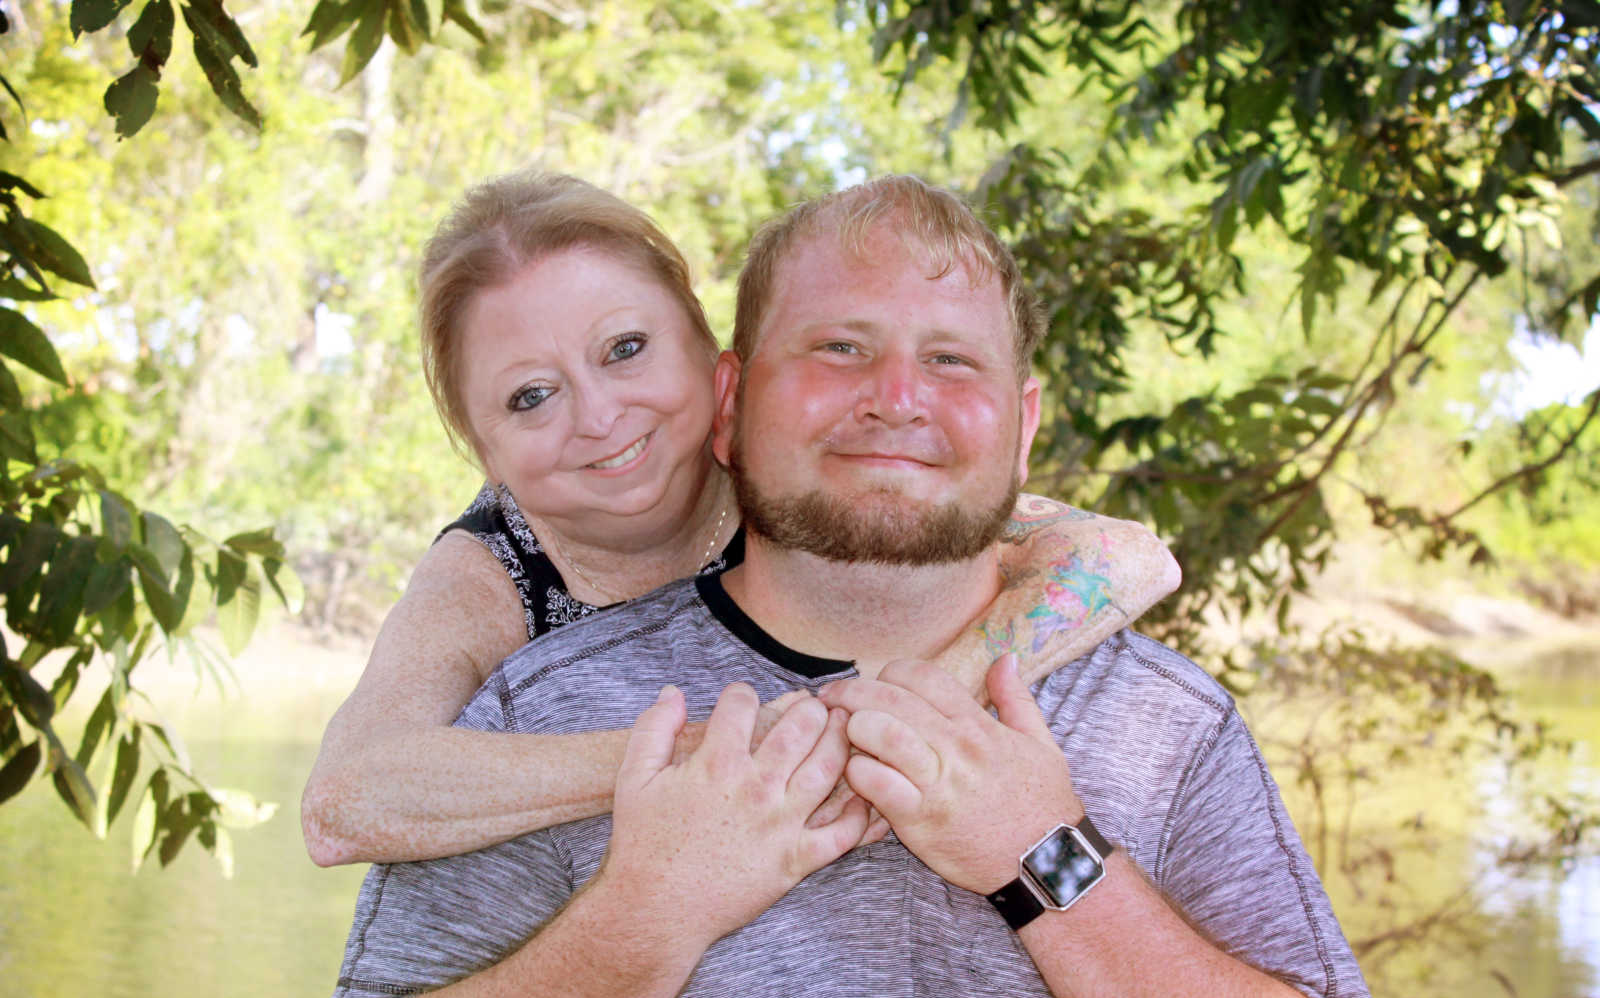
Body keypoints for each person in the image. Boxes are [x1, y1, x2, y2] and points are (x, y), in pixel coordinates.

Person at [312, 176, 1391, 998]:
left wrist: (1042, 851)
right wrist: (650, 909)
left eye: (951, 362)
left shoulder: (1160, 723)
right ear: (734, 404)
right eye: (841, 350)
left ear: (1021, 429)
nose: (897, 400)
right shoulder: (530, 694)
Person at [298, 170, 1180, 867]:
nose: (600, 416)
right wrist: (725, 755)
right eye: (532, 396)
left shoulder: (794, 486)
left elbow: (1125, 558)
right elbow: (346, 801)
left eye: (626, 350)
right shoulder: (488, 572)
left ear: (719, 365)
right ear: (483, 449)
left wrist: (898, 714)